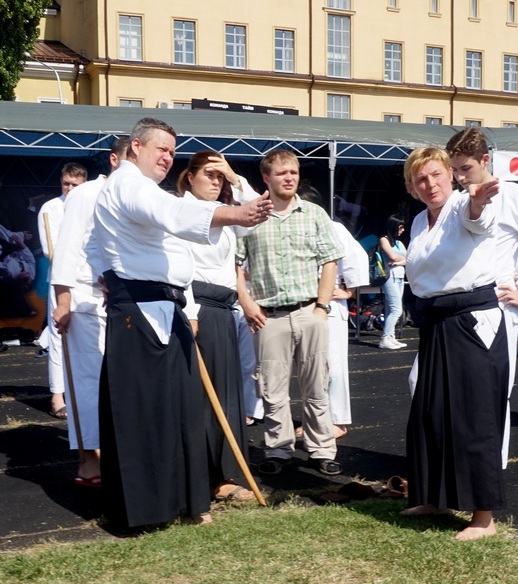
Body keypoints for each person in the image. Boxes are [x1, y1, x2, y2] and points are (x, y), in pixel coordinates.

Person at [93, 118, 273, 528]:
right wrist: (235, 213)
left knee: (183, 409)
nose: (167, 158)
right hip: (138, 309)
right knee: (144, 411)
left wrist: (237, 209)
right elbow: (171, 211)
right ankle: (146, 510)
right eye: (161, 149)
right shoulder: (127, 185)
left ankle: (187, 501)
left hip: (167, 307)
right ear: (135, 147)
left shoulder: (145, 191)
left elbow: (180, 229)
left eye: (172, 152)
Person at [401, 146, 509, 541]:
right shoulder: (417, 222)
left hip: (471, 322)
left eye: (435, 175)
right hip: (435, 323)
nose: (429, 184)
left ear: (451, 174)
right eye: (420, 179)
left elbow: (477, 220)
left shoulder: (465, 204)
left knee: (473, 418)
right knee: (430, 411)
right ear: (413, 186)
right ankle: (432, 496)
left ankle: (484, 518)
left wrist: (478, 202)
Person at [446, 127, 518, 467]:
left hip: (498, 306)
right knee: (425, 381)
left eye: (465, 168)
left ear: (485, 160)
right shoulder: (457, 200)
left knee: (494, 392)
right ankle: (455, 460)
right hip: (459, 305)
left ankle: (490, 470)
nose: (458, 176)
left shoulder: (517, 196)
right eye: (454, 169)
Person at [236, 150, 345, 476]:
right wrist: (247, 302)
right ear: (266, 177)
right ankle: (278, 450)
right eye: (282, 172)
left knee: (316, 386)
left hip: (309, 311)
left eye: (293, 172)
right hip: (269, 317)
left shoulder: (314, 214)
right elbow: (235, 265)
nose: (289, 178)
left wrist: (322, 308)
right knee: (272, 389)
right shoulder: (251, 218)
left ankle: (322, 450)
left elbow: (330, 261)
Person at [177, 150, 262, 502]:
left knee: (227, 395)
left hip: (224, 311)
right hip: (198, 309)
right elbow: (178, 267)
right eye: (209, 174)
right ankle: (204, 477)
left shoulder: (222, 215)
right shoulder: (183, 211)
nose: (216, 181)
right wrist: (191, 312)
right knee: (201, 398)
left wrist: (233, 174)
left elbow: (260, 211)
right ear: (191, 176)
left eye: (220, 177)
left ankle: (226, 473)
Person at [51, 138, 129, 488]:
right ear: (114, 160)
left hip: (123, 300)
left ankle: (113, 453)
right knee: (86, 380)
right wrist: (64, 301)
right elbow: (66, 249)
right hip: (84, 297)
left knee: (118, 381)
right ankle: (87, 460)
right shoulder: (85, 194)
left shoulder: (133, 196)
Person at [298, 185, 370, 439]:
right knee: (310, 366)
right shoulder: (295, 229)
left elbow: (357, 257)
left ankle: (337, 421)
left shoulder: (335, 228)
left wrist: (349, 291)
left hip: (329, 305)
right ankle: (315, 419)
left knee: (334, 365)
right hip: (305, 305)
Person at [37, 162, 88, 419]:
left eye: (74, 184)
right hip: (61, 280)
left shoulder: (88, 207)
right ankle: (57, 395)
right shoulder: (51, 208)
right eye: (66, 183)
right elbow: (51, 250)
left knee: (86, 337)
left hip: (87, 282)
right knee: (59, 338)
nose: (69, 188)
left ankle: (80, 391)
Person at [378, 215, 408, 350]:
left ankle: (391, 336)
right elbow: (392, 256)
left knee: (392, 308)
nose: (402, 230)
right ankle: (385, 338)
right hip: (389, 277)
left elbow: (409, 258)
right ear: (394, 226)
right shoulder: (384, 240)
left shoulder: (399, 243)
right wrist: (401, 260)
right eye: (400, 227)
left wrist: (399, 261)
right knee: (397, 309)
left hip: (400, 277)